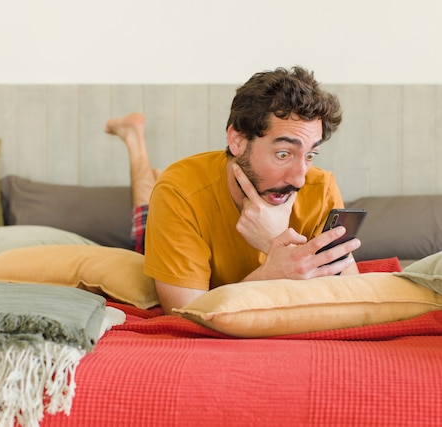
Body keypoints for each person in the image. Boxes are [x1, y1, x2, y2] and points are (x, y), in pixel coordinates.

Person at [106, 66, 361, 315]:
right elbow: (186, 313)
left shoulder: (321, 188)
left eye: (310, 155)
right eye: (283, 154)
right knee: (144, 223)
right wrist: (272, 274)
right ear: (237, 140)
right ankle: (133, 139)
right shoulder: (179, 193)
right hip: (179, 198)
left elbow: (347, 297)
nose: (299, 180)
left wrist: (276, 243)